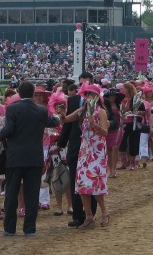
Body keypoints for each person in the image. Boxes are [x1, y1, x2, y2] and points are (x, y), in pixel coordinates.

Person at [0, 81, 61, 236]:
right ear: (33, 93)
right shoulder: (40, 110)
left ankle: (9, 228)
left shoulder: (13, 109)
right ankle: (29, 228)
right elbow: (53, 122)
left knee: (11, 193)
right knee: (32, 194)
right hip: (34, 156)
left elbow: (8, 130)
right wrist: (59, 116)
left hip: (15, 156)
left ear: (19, 93)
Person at [55, 72, 97, 228]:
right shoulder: (72, 100)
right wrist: (60, 144)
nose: (84, 87)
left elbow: (111, 122)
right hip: (75, 145)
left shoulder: (99, 102)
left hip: (92, 148)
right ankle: (78, 215)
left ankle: (90, 214)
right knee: (75, 181)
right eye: (81, 84)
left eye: (87, 84)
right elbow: (66, 124)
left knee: (90, 180)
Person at [71, 83, 110, 229]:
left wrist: (95, 124)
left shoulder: (101, 112)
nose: (88, 97)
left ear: (97, 97)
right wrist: (60, 113)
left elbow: (105, 132)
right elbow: (67, 119)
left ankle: (104, 212)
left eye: (91, 95)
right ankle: (88, 216)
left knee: (96, 183)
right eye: (86, 95)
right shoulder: (82, 111)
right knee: (82, 183)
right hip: (85, 152)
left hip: (98, 152)